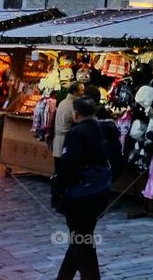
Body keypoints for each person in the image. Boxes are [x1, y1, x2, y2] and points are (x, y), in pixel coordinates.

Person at [51, 96, 112, 280]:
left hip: (80, 195)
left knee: (82, 242)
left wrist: (57, 189)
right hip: (98, 193)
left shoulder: (77, 132)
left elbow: (69, 164)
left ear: (75, 114)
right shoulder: (100, 129)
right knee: (81, 238)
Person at [52, 81, 85, 172]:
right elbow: (79, 122)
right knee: (64, 172)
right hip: (66, 143)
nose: (83, 93)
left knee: (58, 170)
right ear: (75, 92)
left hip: (58, 142)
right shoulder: (73, 106)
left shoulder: (63, 102)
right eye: (81, 90)